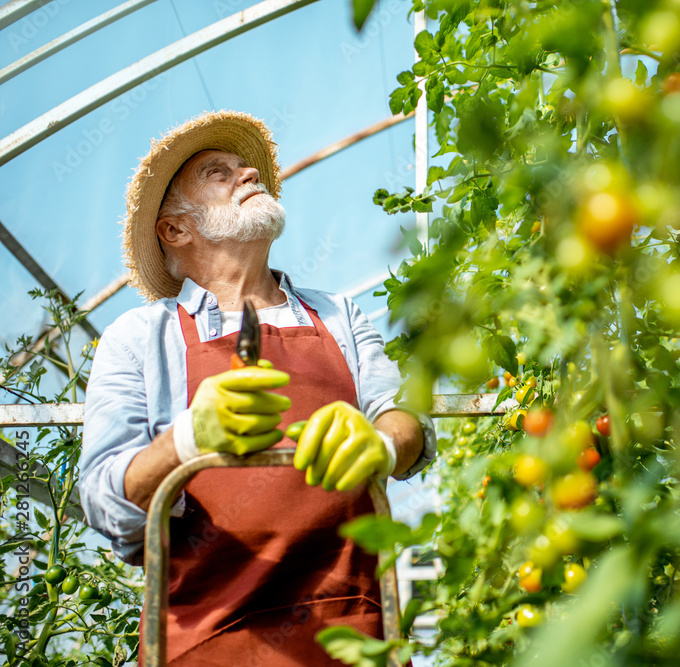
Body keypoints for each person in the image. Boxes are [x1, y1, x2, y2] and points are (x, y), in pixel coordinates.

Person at [79, 110, 435, 665]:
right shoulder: (139, 338)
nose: (248, 173)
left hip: (352, 631)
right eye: (220, 173)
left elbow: (403, 418)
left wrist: (383, 444)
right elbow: (103, 500)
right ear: (176, 229)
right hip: (208, 638)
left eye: (246, 166)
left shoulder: (337, 315)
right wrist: (188, 442)